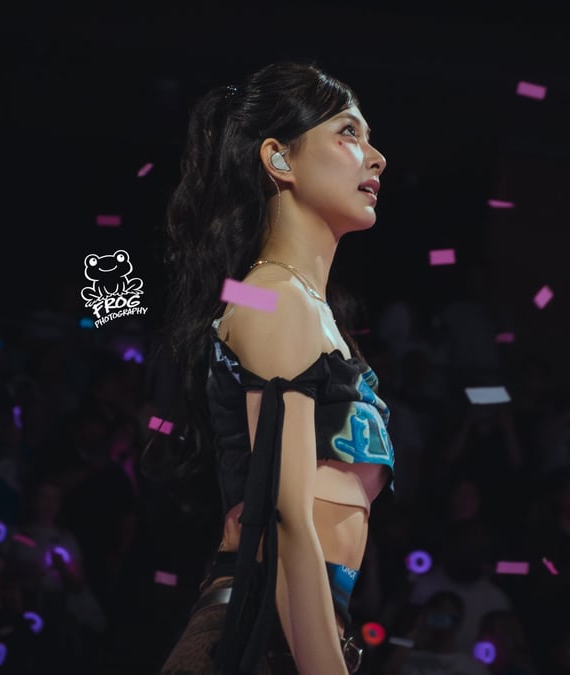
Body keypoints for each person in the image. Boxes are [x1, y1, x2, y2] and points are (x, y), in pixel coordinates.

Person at [152, 59, 392, 675]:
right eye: (348, 133)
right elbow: (285, 517)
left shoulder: (300, 307)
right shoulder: (278, 298)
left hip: (293, 630)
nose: (376, 157)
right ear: (279, 159)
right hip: (258, 630)